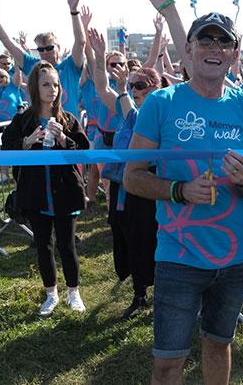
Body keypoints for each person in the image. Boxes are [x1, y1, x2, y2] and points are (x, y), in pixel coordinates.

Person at [125, 0, 243, 384]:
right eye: (205, 40)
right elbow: (133, 176)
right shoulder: (159, 103)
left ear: (234, 53)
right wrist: (179, 190)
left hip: (235, 256)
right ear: (188, 49)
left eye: (223, 42)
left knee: (218, 346)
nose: (214, 49)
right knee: (168, 361)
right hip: (179, 255)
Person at [0, 61, 90, 316]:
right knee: (43, 246)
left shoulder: (68, 118)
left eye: (56, 84)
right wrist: (26, 143)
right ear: (34, 88)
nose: (52, 89)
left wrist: (63, 138)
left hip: (65, 193)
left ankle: (74, 292)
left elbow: (83, 151)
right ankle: (51, 294)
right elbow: (7, 151)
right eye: (46, 84)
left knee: (67, 245)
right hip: (36, 194)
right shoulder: (22, 120)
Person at [89, 28, 159, 320]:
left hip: (145, 187)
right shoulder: (127, 110)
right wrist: (98, 54)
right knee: (123, 235)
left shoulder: (158, 114)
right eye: (133, 85)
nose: (136, 89)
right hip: (119, 186)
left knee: (146, 237)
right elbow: (101, 87)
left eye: (142, 84)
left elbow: (134, 113)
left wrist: (124, 91)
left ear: (155, 87)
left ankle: (155, 288)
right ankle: (138, 291)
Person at [0, 0, 86, 119]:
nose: (44, 52)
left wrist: (74, 12)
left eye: (49, 48)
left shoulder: (70, 66)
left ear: (58, 47)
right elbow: (7, 42)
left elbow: (80, 42)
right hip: (41, 132)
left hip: (68, 129)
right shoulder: (33, 65)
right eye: (40, 49)